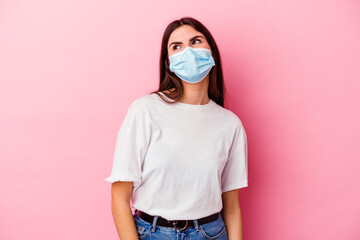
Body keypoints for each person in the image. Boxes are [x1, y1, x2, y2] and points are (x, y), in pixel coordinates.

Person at [105, 17, 248, 240]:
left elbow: (232, 208)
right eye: (177, 46)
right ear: (169, 62)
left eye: (196, 41)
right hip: (153, 233)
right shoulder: (145, 110)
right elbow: (119, 198)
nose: (188, 51)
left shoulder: (230, 124)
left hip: (211, 233)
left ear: (211, 53)